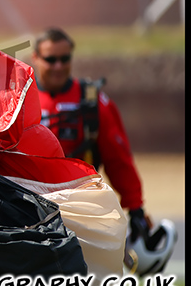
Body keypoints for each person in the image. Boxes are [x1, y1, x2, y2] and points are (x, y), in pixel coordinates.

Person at [30, 27, 152, 240]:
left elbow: (118, 159)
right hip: (29, 207)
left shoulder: (93, 103)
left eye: (64, 58)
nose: (58, 66)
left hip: (81, 209)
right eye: (51, 59)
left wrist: (136, 208)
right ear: (36, 58)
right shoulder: (20, 100)